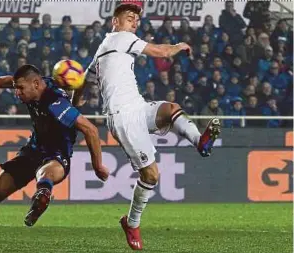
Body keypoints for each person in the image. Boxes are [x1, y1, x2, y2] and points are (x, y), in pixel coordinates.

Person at [73, 4, 221, 250]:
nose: (135, 22)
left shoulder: (103, 49)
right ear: (115, 22)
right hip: (122, 117)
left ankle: (201, 142)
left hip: (138, 108)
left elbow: (82, 80)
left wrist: (75, 102)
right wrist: (179, 46)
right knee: (151, 175)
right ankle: (131, 223)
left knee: (171, 109)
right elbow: (162, 52)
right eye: (130, 18)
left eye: (137, 19)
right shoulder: (121, 38)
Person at [0, 64, 109, 248]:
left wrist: (97, 165)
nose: (17, 93)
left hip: (57, 154)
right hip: (32, 150)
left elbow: (90, 130)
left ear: (36, 84)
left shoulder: (55, 103)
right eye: (16, 87)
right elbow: (8, 80)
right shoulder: (34, 85)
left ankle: (43, 195)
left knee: (45, 174)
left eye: (20, 88)